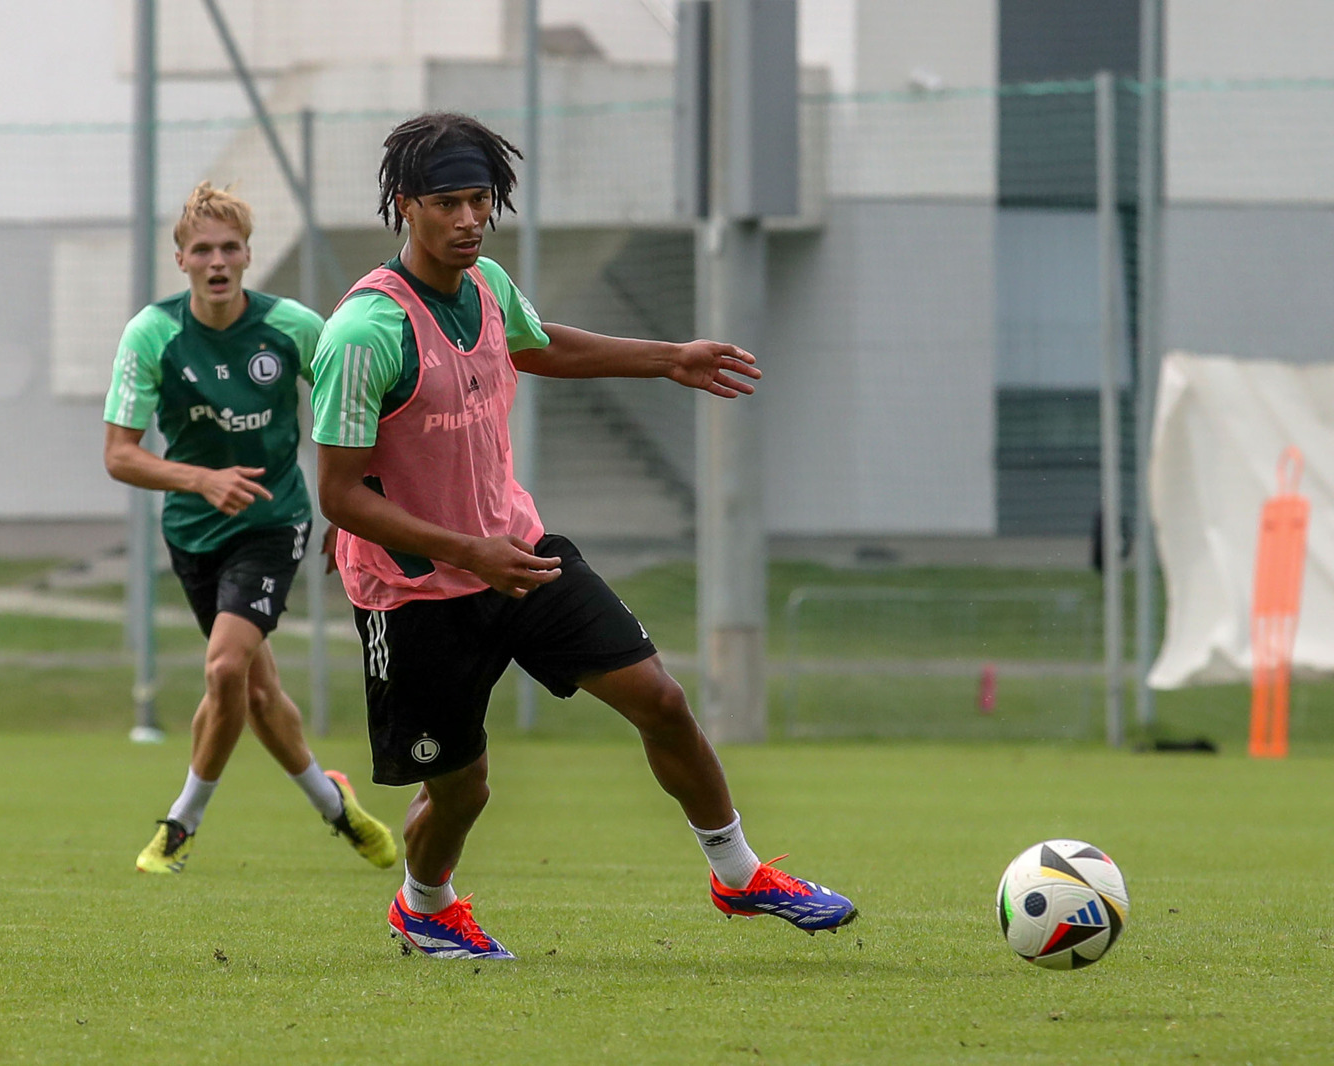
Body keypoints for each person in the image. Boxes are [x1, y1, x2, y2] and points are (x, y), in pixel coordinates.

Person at [310, 113, 856, 959]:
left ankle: (740, 873)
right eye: (449, 202)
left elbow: (537, 344)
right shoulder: (363, 334)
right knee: (460, 792)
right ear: (405, 205)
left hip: (520, 556)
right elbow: (339, 496)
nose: (469, 220)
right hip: (415, 593)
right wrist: (467, 552)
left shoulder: (487, 285)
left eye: (481, 200)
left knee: (661, 702)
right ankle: (424, 906)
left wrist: (668, 357)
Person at [102, 182, 397, 876]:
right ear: (180, 259)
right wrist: (201, 479)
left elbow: (359, 406)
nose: (216, 260)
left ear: (248, 257)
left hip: (273, 521)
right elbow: (120, 454)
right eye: (201, 248)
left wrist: (355, 504)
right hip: (193, 531)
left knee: (226, 665)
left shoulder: (292, 326)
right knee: (256, 692)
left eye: (229, 248)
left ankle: (181, 823)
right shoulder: (154, 334)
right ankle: (335, 806)